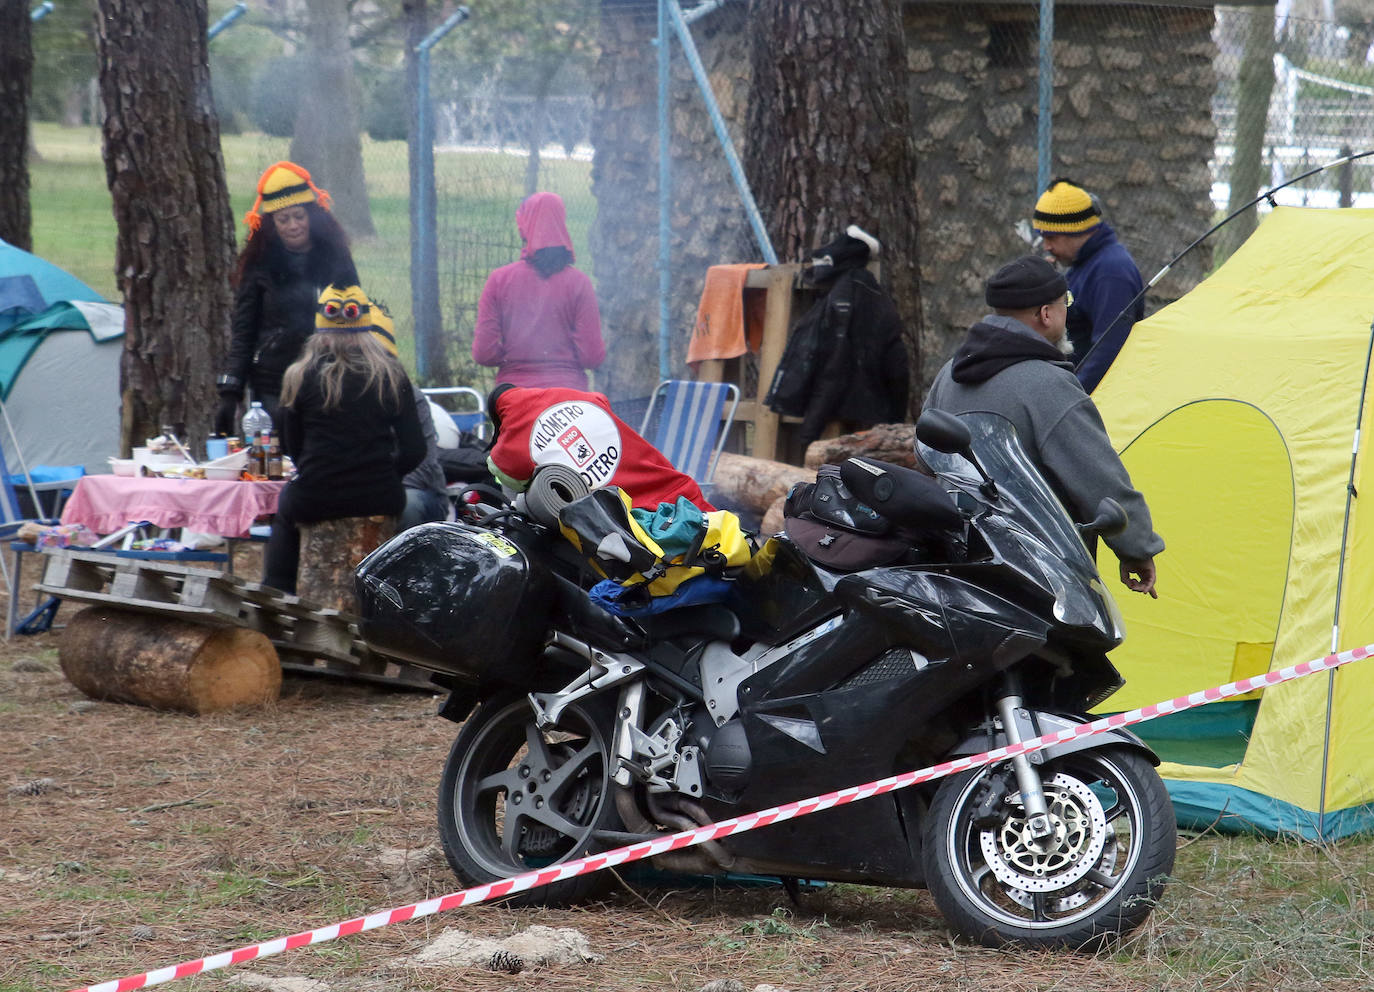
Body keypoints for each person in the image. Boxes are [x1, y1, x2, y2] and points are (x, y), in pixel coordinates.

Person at [923, 255, 1163, 597]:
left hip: (955, 562)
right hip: (1039, 573)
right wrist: (1136, 548)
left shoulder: (949, 373)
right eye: (1064, 303)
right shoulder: (1049, 384)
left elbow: (925, 456)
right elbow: (1098, 477)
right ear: (1046, 315)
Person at [262, 285, 425, 594]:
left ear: (319, 329)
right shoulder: (391, 375)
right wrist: (385, 474)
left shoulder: (298, 376)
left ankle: (277, 591)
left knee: (285, 504)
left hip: (317, 496)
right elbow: (416, 449)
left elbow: (292, 448)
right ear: (366, 325)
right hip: (380, 495)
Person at [216, 161, 360, 435]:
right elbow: (243, 331)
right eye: (283, 219)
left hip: (328, 381)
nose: (293, 225)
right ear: (271, 224)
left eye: (299, 216)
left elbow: (358, 320)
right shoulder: (258, 265)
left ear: (312, 216)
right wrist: (230, 390)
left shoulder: (336, 258)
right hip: (272, 384)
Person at [485, 384, 714, 512]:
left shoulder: (508, 448)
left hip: (622, 522)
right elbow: (601, 399)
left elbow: (508, 478)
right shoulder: (574, 395)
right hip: (680, 495)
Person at [472, 192, 606, 390]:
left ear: (524, 226)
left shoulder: (499, 280)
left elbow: (483, 353)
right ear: (561, 224)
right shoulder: (580, 283)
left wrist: (514, 359)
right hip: (568, 398)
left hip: (514, 398)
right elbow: (592, 357)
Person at [1032, 178, 1144, 394]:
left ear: (1077, 230)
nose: (1046, 246)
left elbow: (1110, 350)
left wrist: (1072, 402)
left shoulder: (1111, 272)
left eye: (1051, 237)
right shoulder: (1084, 264)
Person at [366, 302, 450, 530]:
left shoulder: (409, 396)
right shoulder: (336, 394)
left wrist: (375, 486)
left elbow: (422, 468)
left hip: (419, 493)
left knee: (407, 505)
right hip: (362, 490)